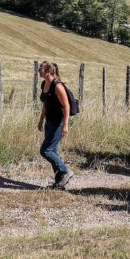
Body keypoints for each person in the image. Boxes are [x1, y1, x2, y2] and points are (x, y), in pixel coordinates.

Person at [37, 60, 73, 190]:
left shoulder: (57, 86)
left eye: (40, 68)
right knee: (53, 151)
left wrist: (65, 125)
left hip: (59, 122)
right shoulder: (44, 84)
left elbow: (67, 106)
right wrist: (41, 120)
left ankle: (65, 171)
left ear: (47, 71)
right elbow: (45, 104)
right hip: (49, 121)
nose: (38, 70)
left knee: (46, 150)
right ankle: (59, 183)